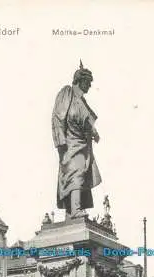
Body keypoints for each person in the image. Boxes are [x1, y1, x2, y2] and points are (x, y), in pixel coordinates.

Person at [52, 61, 102, 219]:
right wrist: (60, 141)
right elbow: (58, 117)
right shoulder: (67, 93)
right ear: (80, 80)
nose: (90, 86)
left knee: (80, 173)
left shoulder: (83, 101)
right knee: (75, 173)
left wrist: (94, 132)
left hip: (82, 143)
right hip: (70, 141)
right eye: (87, 82)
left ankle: (73, 211)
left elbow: (86, 120)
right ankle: (75, 210)